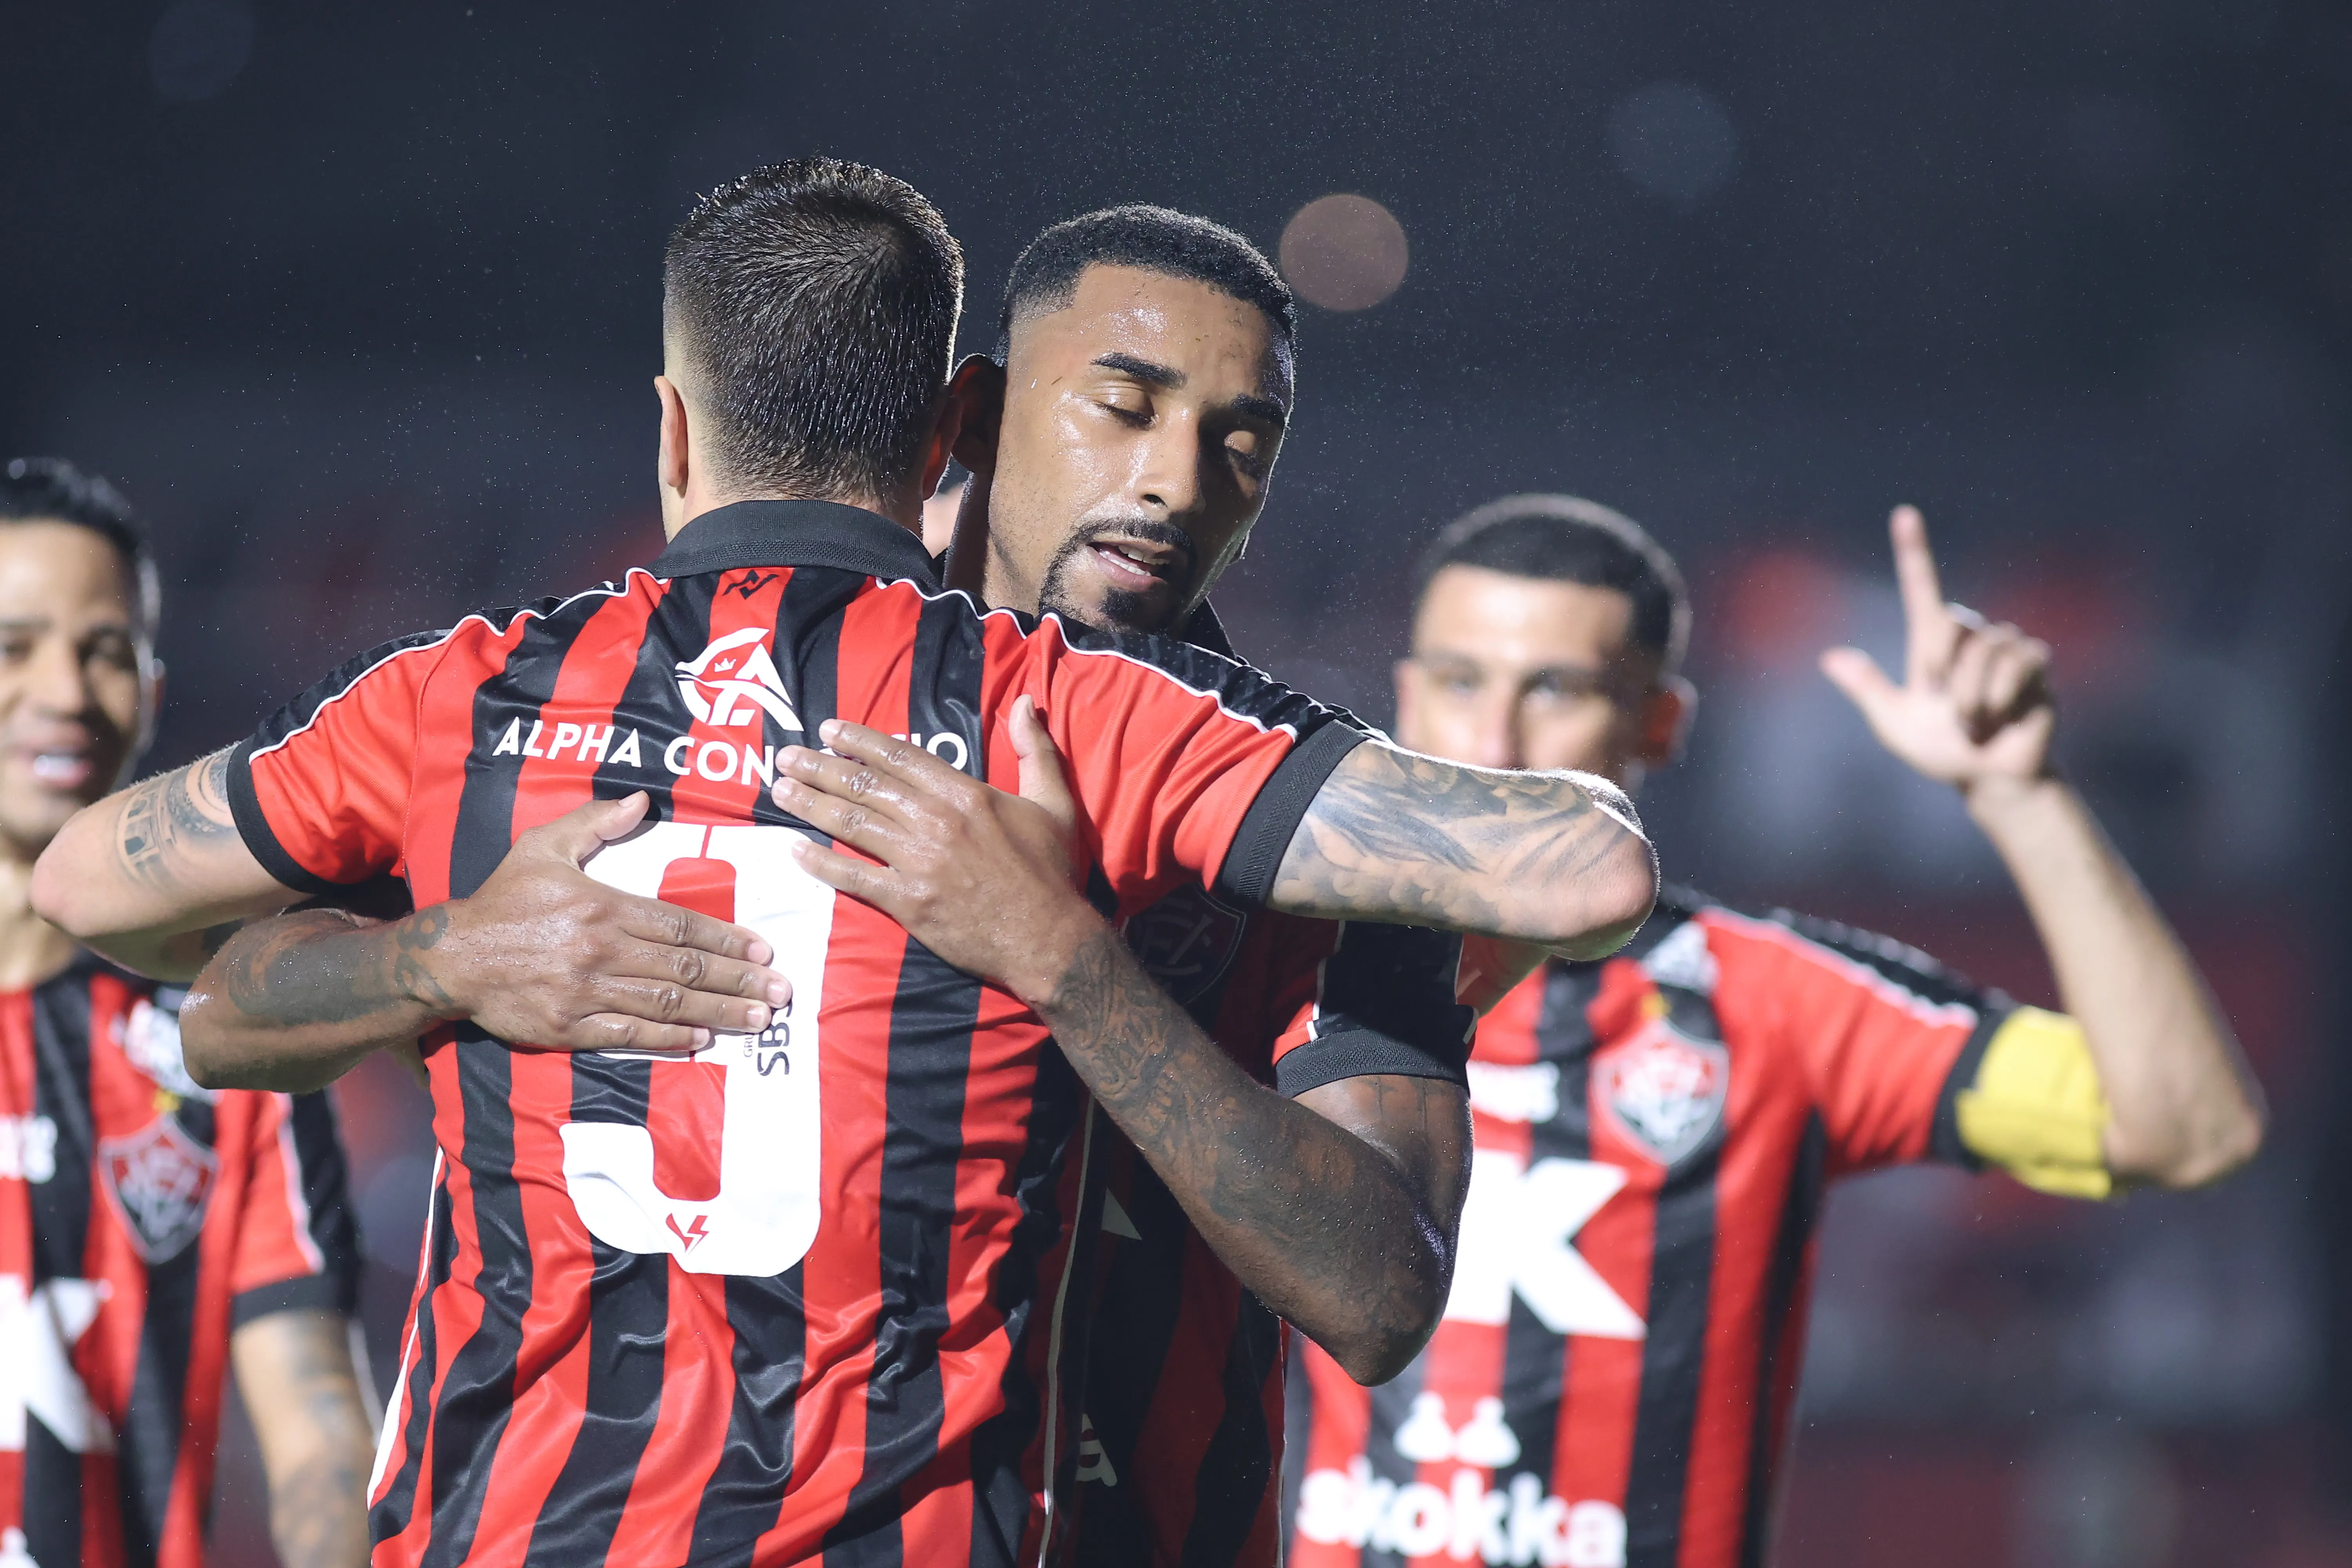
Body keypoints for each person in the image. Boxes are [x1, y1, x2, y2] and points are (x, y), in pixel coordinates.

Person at [29, 163, 1656, 1568]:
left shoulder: (1308, 814)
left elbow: (1376, 1298)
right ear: (973, 411)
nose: (1174, 480)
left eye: (1245, 441)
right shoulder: (611, 710)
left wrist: (1076, 968)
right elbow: (225, 997)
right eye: (1127, 404)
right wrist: (436, 961)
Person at [1282, 495, 2266, 1568]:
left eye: (1557, 689)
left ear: (1660, 725)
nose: (1496, 740)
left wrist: (2020, 795)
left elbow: (2188, 1127)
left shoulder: (1773, 1001)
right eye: (1462, 682)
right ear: (1409, 696)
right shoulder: (1283, 972)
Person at [0, 458, 373, 1568]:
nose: (66, 692)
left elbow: (318, 1437)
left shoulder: (228, 1034)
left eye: (106, 651)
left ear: (153, 693)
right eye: (15, 648)